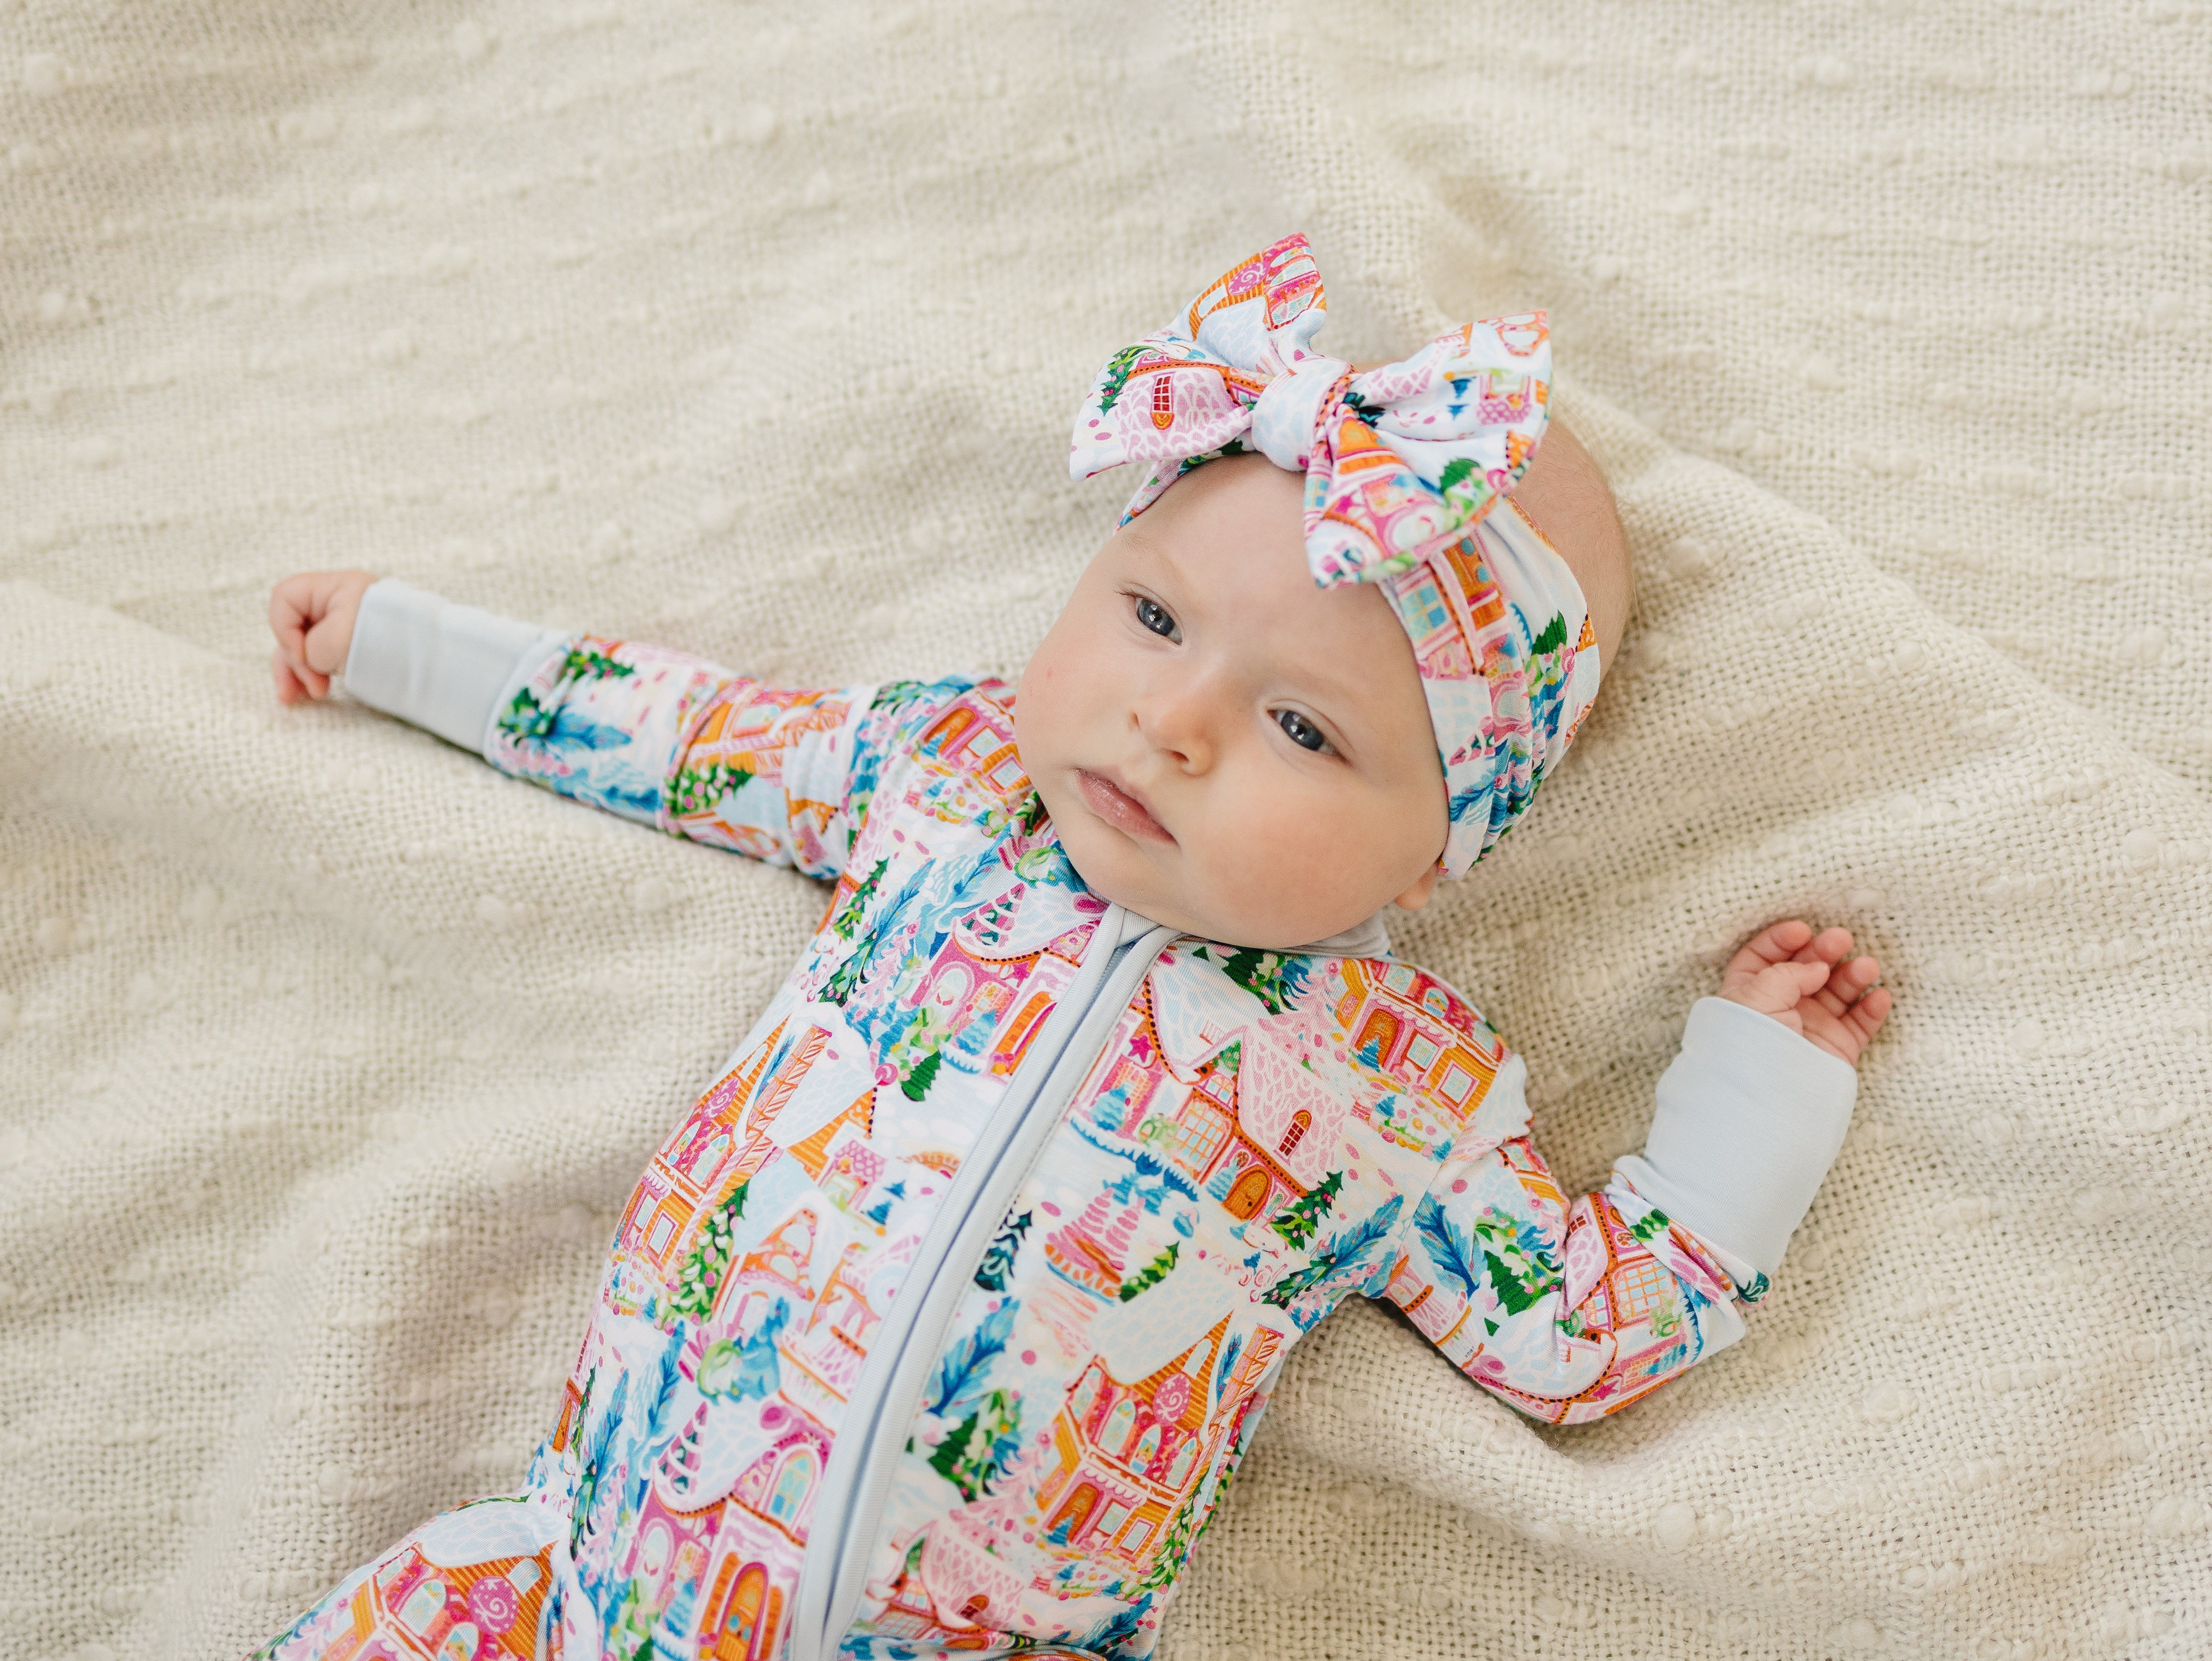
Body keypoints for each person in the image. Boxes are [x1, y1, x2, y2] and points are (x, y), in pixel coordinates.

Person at [253, 235, 1888, 1661]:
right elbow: (689, 738)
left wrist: (1765, 1084)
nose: (1170, 722)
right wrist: (407, 646)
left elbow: (1579, 1330)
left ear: (1439, 848)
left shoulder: (1398, 1083)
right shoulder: (946, 774)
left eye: (1303, 727)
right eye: (1156, 618)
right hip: (571, 1586)